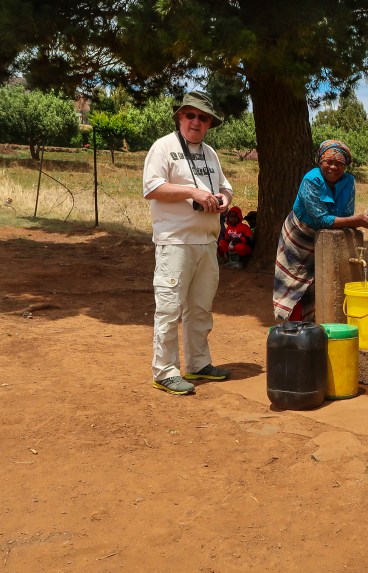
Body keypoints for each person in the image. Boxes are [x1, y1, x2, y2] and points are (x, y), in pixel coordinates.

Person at [143, 91, 234, 396]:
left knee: (200, 308)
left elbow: (225, 188)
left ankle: (198, 363)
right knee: (169, 307)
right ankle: (165, 371)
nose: (196, 121)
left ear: (209, 123)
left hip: (207, 241)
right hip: (176, 241)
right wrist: (192, 193)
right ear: (180, 117)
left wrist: (222, 200)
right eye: (190, 115)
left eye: (203, 117)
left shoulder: (210, 152)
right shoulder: (164, 147)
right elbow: (152, 187)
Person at [273, 140, 368, 321]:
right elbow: (320, 219)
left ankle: (312, 328)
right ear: (319, 161)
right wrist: (357, 220)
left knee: (319, 284)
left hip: (326, 237)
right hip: (299, 235)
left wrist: (360, 221)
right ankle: (292, 329)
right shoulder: (311, 179)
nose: (333, 167)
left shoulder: (348, 181)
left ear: (346, 166)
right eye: (328, 161)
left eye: (339, 163)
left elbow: (346, 213)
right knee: (294, 283)